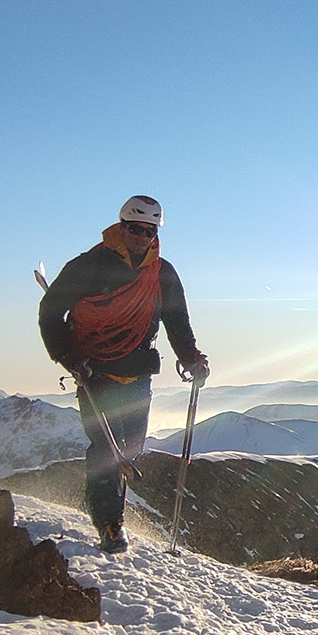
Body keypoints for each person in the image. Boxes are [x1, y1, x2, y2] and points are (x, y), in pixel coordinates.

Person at [38, 195, 209, 554]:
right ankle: (109, 523)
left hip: (137, 373)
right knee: (107, 448)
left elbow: (176, 320)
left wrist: (191, 357)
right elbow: (50, 313)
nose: (141, 236)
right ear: (121, 226)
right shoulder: (88, 266)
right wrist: (69, 359)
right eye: (135, 229)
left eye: (149, 231)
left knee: (129, 450)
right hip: (93, 371)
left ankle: (107, 514)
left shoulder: (162, 273)